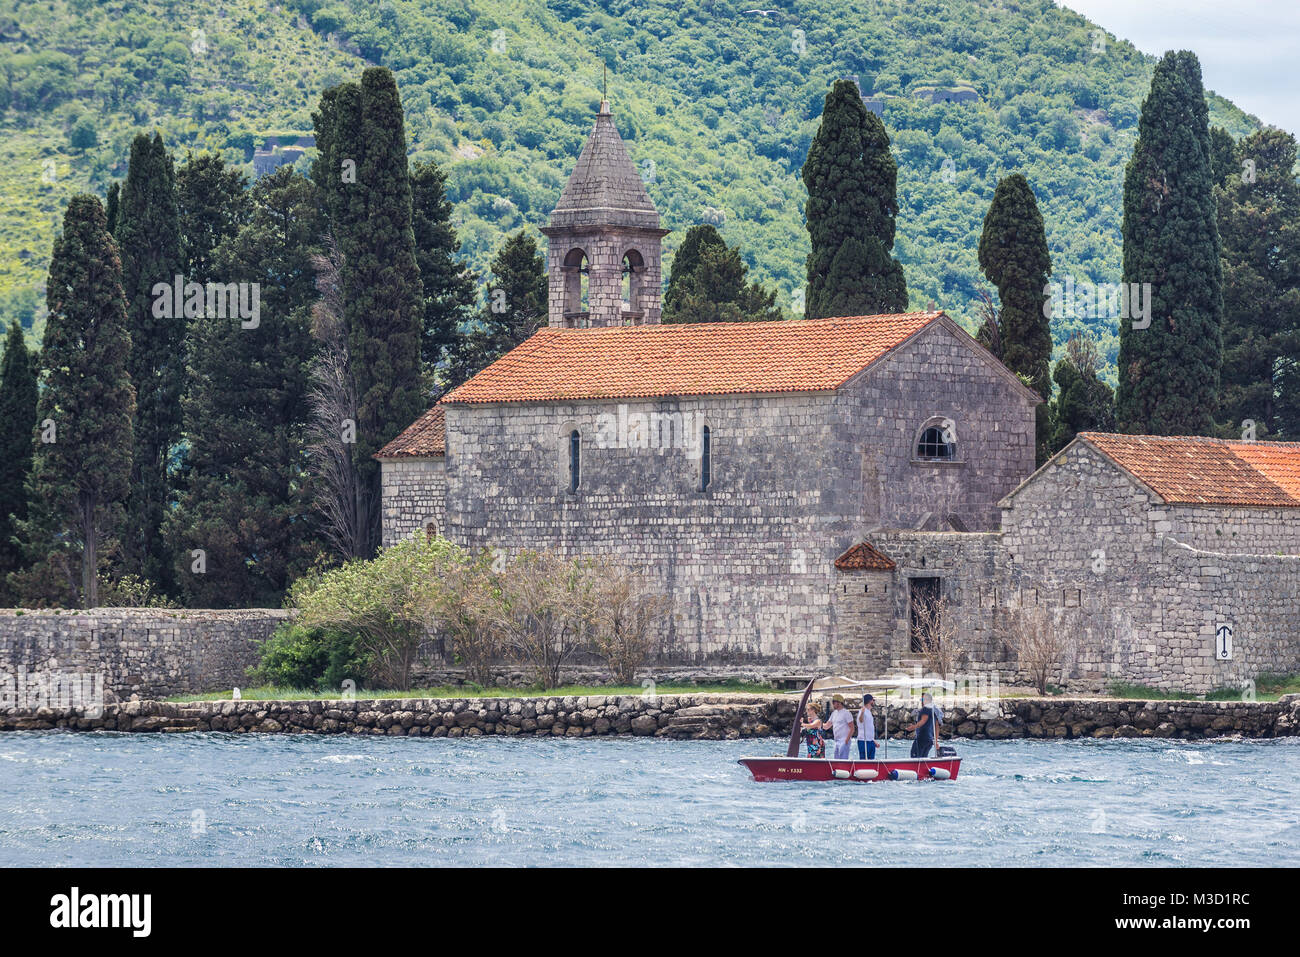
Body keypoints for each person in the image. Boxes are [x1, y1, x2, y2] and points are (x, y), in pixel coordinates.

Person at [906, 691, 940, 758]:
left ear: (926, 700)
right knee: (923, 759)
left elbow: (923, 721)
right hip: (929, 740)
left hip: (922, 737)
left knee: (914, 757)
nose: (921, 702)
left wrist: (913, 727)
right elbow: (937, 727)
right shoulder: (934, 710)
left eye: (922, 700)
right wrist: (936, 741)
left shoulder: (925, 709)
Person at [825, 694, 856, 760]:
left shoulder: (846, 713)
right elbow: (827, 726)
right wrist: (816, 723)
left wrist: (846, 740)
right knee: (836, 760)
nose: (832, 704)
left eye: (833, 702)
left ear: (839, 703)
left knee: (843, 761)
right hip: (836, 741)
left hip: (844, 741)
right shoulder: (834, 713)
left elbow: (852, 728)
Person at [856, 694, 877, 760]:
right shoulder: (862, 711)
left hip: (870, 741)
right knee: (864, 760)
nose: (874, 702)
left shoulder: (869, 712)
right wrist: (862, 713)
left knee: (871, 761)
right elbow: (860, 720)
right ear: (870, 701)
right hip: (863, 740)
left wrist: (874, 741)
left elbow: (869, 728)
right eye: (873, 700)